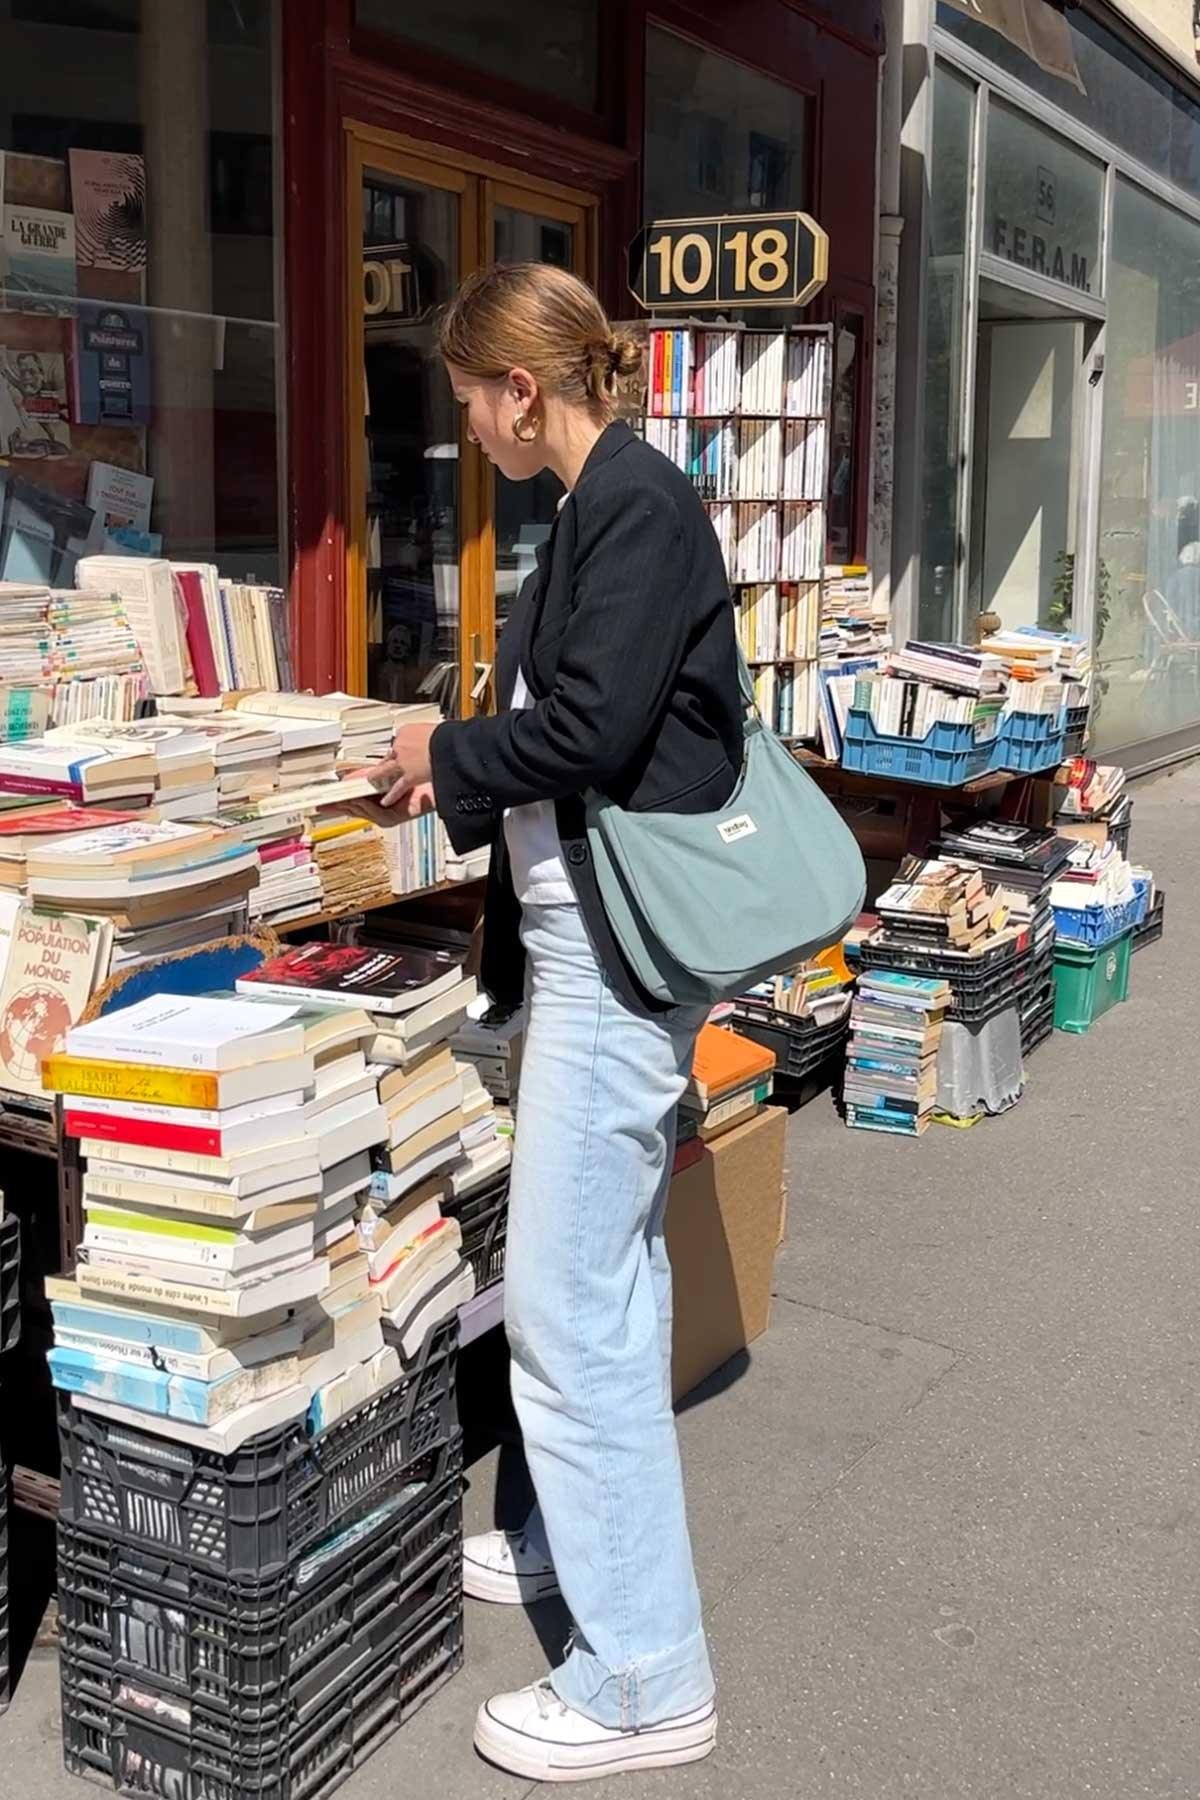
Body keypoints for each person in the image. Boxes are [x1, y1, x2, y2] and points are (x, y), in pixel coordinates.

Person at [361, 261, 743, 1783]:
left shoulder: (635, 505)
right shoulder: (604, 504)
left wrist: (441, 750)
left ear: (525, 388)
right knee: (608, 1288)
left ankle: (647, 1678)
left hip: (613, 955)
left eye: (468, 392)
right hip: (589, 945)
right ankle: (557, 1551)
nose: (460, 422)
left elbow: (589, 723)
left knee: (573, 1319)